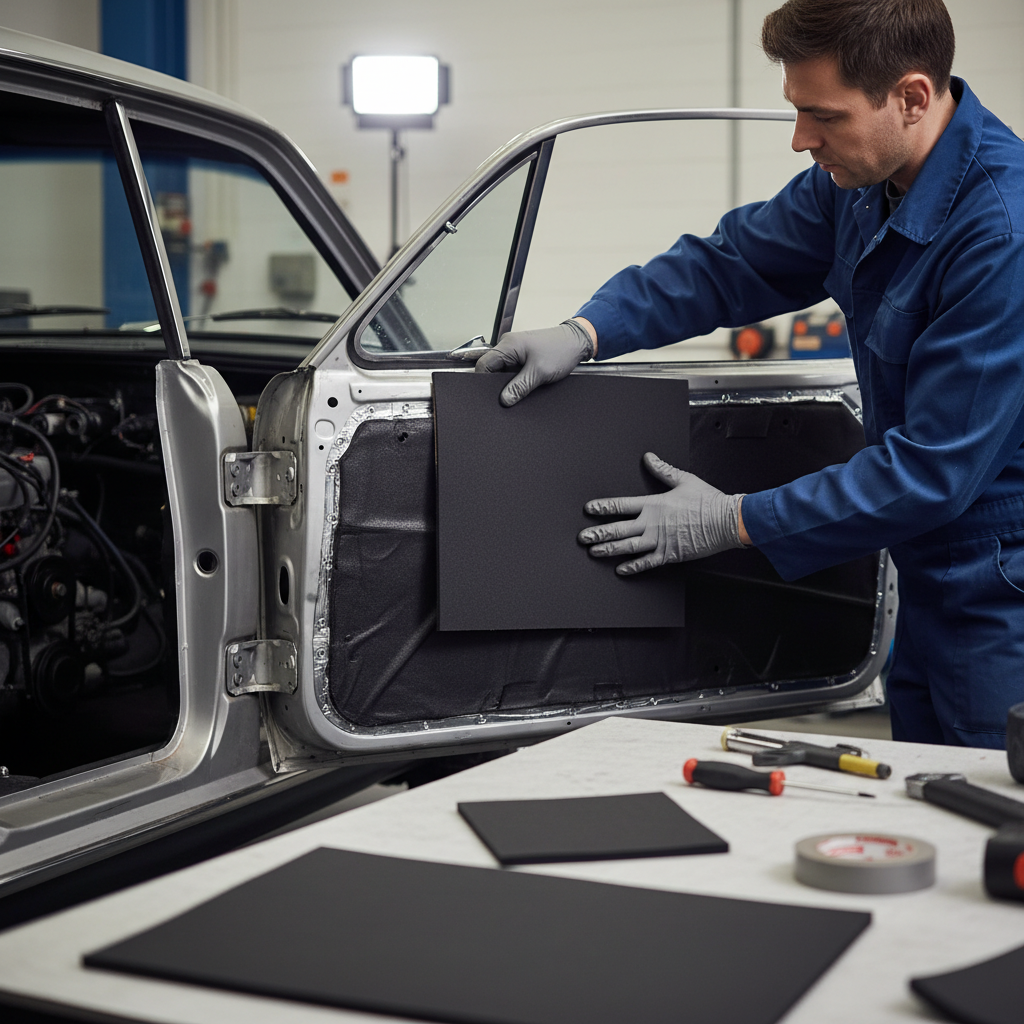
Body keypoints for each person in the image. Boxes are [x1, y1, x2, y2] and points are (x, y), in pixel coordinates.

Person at [476, 0, 1024, 750]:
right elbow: (728, 263)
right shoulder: (859, 183)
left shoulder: (1002, 234)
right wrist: (589, 329)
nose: (803, 141)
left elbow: (934, 470)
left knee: (996, 824)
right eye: (797, 112)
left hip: (1004, 593)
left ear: (913, 97)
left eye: (822, 116)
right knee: (930, 801)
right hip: (933, 575)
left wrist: (734, 519)